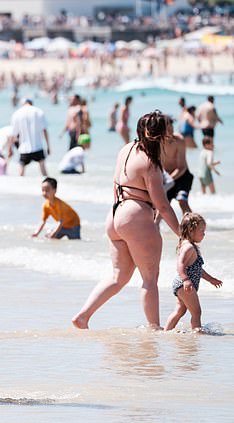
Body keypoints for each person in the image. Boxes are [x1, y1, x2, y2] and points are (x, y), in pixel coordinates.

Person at [72, 111, 181, 330]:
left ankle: (82, 316)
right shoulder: (150, 163)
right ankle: (154, 328)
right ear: (162, 134)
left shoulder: (126, 150)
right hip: (136, 216)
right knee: (150, 280)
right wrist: (182, 234)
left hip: (115, 215)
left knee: (118, 277)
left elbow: (116, 184)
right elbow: (162, 205)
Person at [164, 213, 223, 331]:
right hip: (184, 284)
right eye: (202, 231)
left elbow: (197, 269)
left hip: (182, 284)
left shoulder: (189, 246)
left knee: (180, 310)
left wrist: (211, 279)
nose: (204, 234)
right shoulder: (189, 247)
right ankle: (197, 333)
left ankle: (166, 331)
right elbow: (180, 265)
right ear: (191, 231)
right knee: (197, 312)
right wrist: (186, 280)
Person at [8, 98, 50, 176]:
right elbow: (44, 130)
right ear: (31, 103)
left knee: (21, 173)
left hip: (24, 148)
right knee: (43, 170)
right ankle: (49, 185)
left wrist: (10, 148)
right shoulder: (38, 111)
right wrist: (48, 146)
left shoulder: (17, 113)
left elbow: (13, 134)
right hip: (38, 146)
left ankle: (20, 186)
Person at [162, 129, 193, 215]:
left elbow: (181, 167)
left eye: (171, 128)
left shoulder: (179, 140)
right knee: (162, 207)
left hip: (182, 176)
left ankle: (192, 226)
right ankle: (154, 227)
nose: (170, 131)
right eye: (167, 128)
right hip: (166, 177)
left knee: (182, 200)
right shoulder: (157, 142)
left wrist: (168, 181)